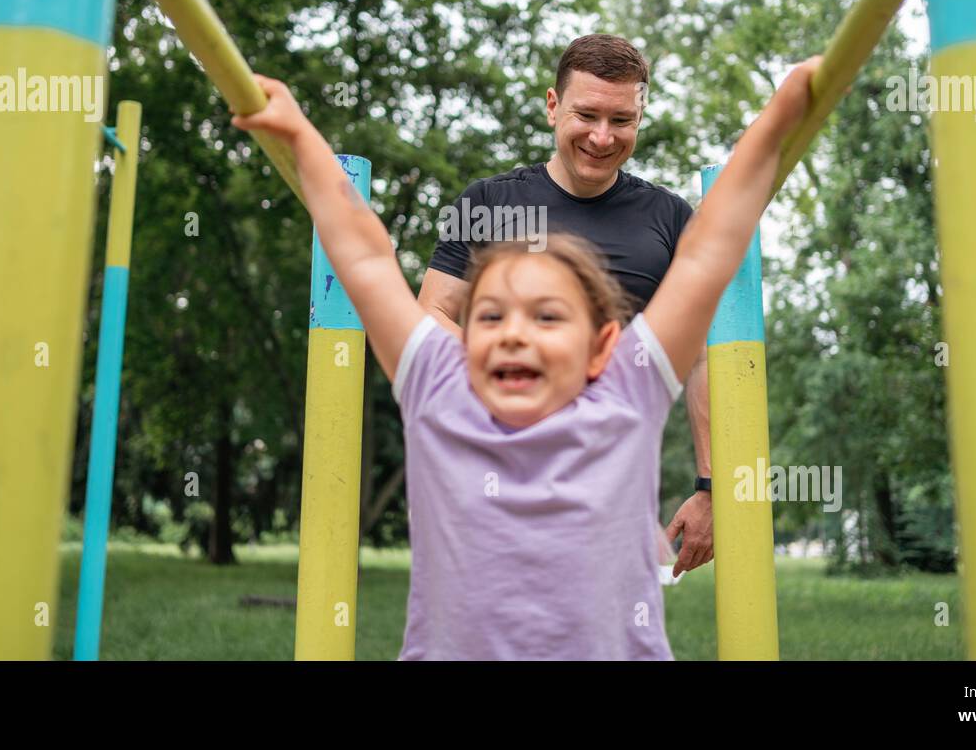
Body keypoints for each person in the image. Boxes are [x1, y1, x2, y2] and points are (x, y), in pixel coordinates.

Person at [233, 56, 818, 659]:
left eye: (547, 317)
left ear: (601, 349)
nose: (515, 334)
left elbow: (709, 253)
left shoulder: (625, 396)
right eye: (490, 316)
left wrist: (777, 120)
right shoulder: (441, 392)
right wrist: (301, 137)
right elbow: (363, 259)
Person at [418, 34, 716, 575]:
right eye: (587, 115)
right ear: (554, 107)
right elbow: (432, 314)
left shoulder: (671, 220)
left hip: (612, 490)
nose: (603, 137)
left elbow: (701, 355)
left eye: (622, 120)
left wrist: (711, 486)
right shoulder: (487, 203)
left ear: (640, 118)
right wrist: (518, 382)